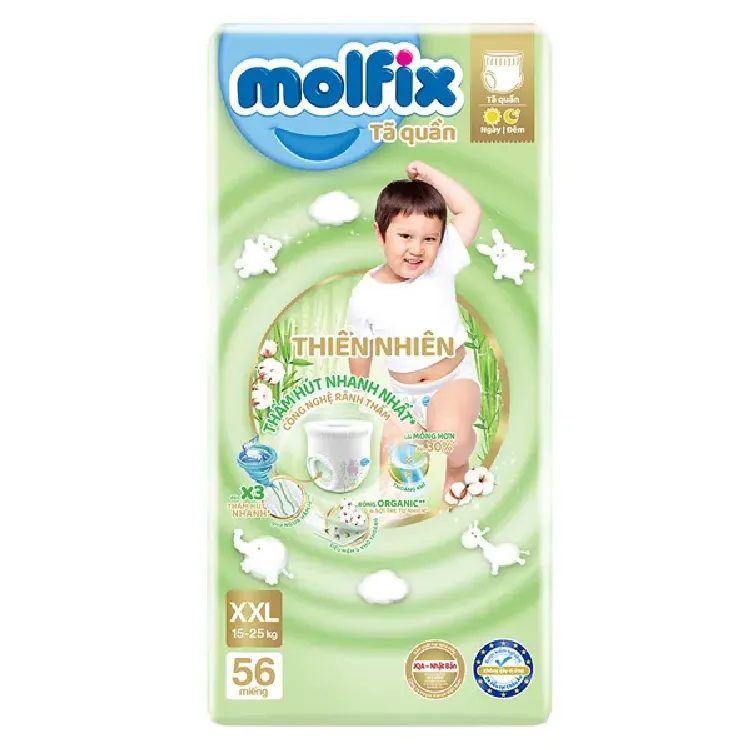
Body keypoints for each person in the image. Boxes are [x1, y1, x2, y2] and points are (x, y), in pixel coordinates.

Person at [347, 160, 482, 496]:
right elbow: (359, 346)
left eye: (430, 239)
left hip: (454, 381)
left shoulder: (441, 263)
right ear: (380, 234)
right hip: (402, 395)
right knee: (392, 480)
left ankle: (458, 465)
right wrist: (359, 390)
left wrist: (432, 177)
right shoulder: (365, 295)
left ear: (441, 241)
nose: (417, 249)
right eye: (405, 236)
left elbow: (469, 211)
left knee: (449, 437)